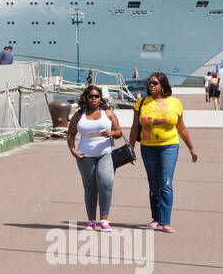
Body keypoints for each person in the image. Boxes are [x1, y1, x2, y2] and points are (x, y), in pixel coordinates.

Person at [127, 71, 198, 234]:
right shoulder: (142, 103)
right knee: (154, 185)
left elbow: (182, 128)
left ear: (163, 85)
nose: (151, 86)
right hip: (148, 147)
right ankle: (156, 218)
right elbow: (135, 127)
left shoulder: (175, 103)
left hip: (169, 146)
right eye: (149, 83)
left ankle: (165, 222)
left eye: (154, 83)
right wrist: (131, 148)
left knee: (165, 184)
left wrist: (191, 148)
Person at [66, 84, 121, 232]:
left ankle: (104, 220)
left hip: (105, 153)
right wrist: (73, 151)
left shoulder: (107, 113)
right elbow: (70, 134)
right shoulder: (79, 115)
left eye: (97, 96)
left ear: (100, 98)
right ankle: (91, 221)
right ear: (86, 98)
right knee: (90, 188)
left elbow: (119, 132)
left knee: (106, 183)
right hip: (85, 155)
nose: (94, 99)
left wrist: (111, 134)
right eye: (91, 96)